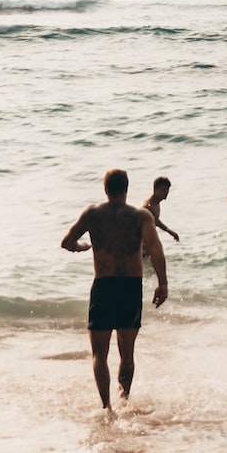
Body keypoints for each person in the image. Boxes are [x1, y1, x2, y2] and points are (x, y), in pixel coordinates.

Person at [61, 169, 169, 411]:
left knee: (99, 354)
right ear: (127, 188)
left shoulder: (92, 214)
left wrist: (81, 247)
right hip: (131, 287)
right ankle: (125, 401)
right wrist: (163, 283)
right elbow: (155, 248)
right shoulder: (141, 216)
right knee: (127, 354)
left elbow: (66, 242)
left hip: (104, 286)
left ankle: (106, 407)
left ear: (105, 189)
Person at [142, 176, 180, 242]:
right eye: (163, 190)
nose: (166, 192)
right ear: (155, 190)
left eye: (167, 190)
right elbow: (155, 222)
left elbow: (156, 220)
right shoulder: (148, 206)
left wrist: (170, 232)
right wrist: (170, 232)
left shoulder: (156, 202)